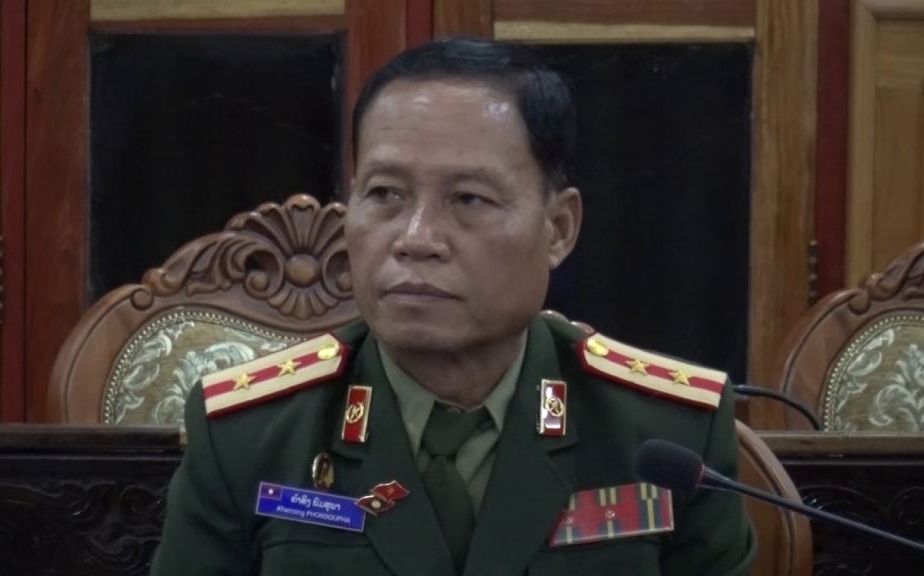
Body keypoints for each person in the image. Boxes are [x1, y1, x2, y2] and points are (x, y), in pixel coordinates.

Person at [149, 36, 756, 576]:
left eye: (468, 199)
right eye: (385, 194)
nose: (416, 239)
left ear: (559, 228)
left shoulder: (668, 436)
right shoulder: (248, 436)